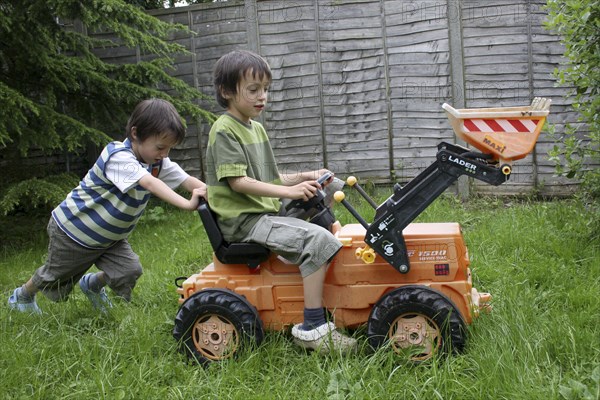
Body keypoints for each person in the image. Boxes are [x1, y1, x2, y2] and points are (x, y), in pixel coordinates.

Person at [206, 50, 357, 353]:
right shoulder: (224, 130)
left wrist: (307, 176)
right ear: (226, 92)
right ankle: (312, 326)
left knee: (317, 208)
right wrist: (289, 193)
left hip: (263, 213)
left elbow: (270, 179)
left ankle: (310, 268)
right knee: (317, 239)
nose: (262, 97)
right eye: (253, 90)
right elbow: (239, 183)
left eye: (265, 89)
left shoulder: (255, 127)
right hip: (245, 222)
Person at [8, 98, 207, 314]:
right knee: (54, 276)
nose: (165, 154)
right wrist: (188, 204)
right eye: (160, 147)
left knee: (129, 270)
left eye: (169, 148)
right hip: (75, 231)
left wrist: (214, 195)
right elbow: (149, 183)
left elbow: (187, 180)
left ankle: (92, 285)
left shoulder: (157, 163)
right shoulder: (117, 156)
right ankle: (23, 296)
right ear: (135, 134)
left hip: (110, 239)